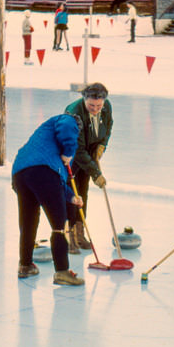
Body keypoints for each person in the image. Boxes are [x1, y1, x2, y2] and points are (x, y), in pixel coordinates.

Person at [11, 114, 85, 286]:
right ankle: (62, 272)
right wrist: (68, 152)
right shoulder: (67, 120)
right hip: (42, 172)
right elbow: (67, 126)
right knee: (59, 225)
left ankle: (25, 265)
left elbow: (57, 182)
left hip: (20, 174)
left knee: (28, 221)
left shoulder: (45, 143)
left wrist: (72, 197)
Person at [64, 83, 112, 254]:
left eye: (99, 106)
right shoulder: (75, 112)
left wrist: (102, 145)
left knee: (82, 193)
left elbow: (108, 127)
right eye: (91, 105)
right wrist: (96, 174)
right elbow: (78, 149)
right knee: (71, 194)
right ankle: (68, 236)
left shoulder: (106, 107)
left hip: (88, 154)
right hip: (70, 156)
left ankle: (79, 233)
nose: (95, 109)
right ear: (84, 100)